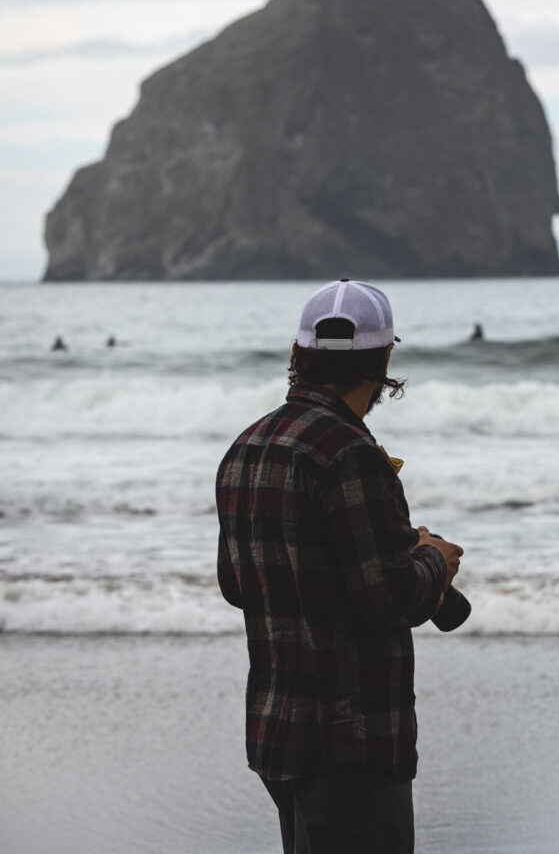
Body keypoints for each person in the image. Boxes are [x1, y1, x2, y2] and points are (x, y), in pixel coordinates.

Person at [216, 279, 466, 854]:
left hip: (280, 734)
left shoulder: (247, 446)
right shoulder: (351, 454)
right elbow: (391, 599)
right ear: (384, 360)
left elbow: (237, 584)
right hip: (351, 742)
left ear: (298, 353)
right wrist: (434, 557)